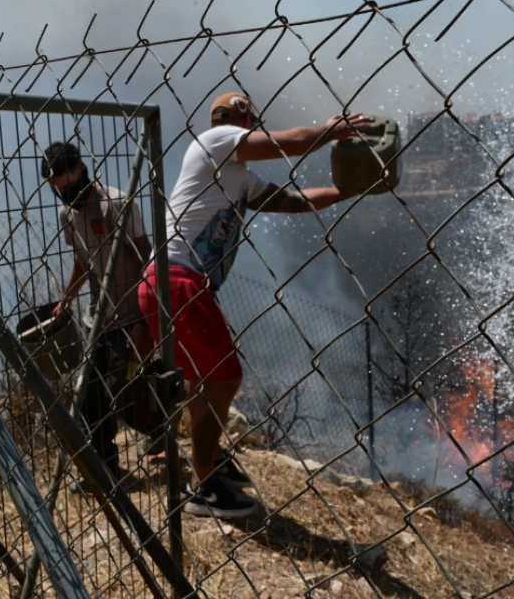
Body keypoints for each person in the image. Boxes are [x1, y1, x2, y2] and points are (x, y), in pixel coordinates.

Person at [137, 92, 370, 518]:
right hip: (179, 279)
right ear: (242, 119)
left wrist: (344, 191)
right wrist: (332, 130)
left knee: (206, 381)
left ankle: (206, 464)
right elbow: (290, 143)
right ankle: (202, 485)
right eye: (252, 119)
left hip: (169, 282)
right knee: (225, 378)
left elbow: (292, 201)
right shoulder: (216, 140)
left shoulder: (237, 176)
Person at [43, 141, 158, 494]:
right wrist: (67, 298)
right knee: (92, 395)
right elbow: (83, 259)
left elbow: (145, 259)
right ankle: (105, 471)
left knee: (121, 390)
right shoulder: (68, 215)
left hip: (130, 314)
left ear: (81, 169)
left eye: (68, 184)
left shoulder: (116, 204)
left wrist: (145, 319)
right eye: (57, 190)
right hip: (98, 319)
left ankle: (159, 431)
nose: (65, 194)